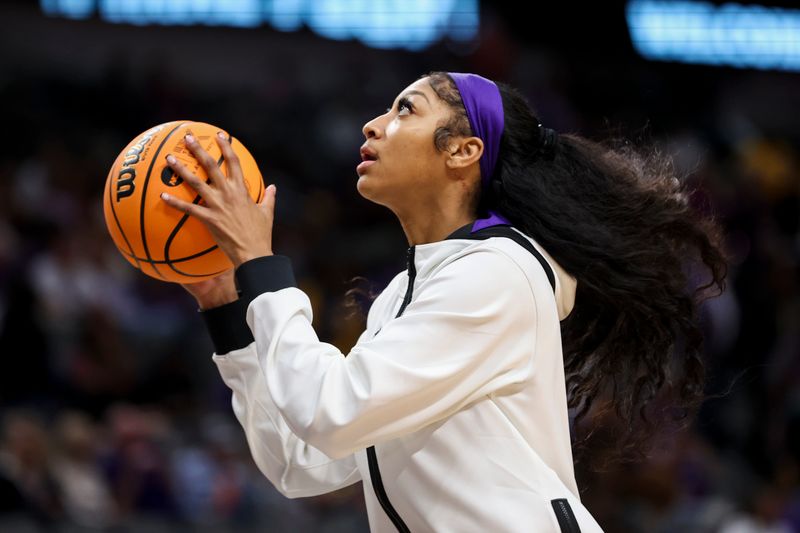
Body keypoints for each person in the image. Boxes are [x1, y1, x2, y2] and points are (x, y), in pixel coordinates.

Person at [159, 72, 727, 532]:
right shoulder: (408, 295)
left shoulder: (498, 272)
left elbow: (332, 412)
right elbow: (301, 460)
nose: (374, 125)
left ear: (462, 150)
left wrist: (261, 265)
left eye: (405, 109)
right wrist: (227, 310)